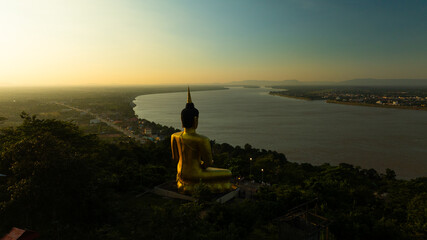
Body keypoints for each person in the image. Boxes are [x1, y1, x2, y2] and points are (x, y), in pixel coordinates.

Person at [171, 87, 232, 193]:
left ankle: (183, 183)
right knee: (228, 173)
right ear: (196, 120)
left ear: (182, 120)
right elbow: (208, 163)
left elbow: (175, 157)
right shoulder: (201, 140)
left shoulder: (174, 136)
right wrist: (201, 164)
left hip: (180, 173)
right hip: (195, 174)